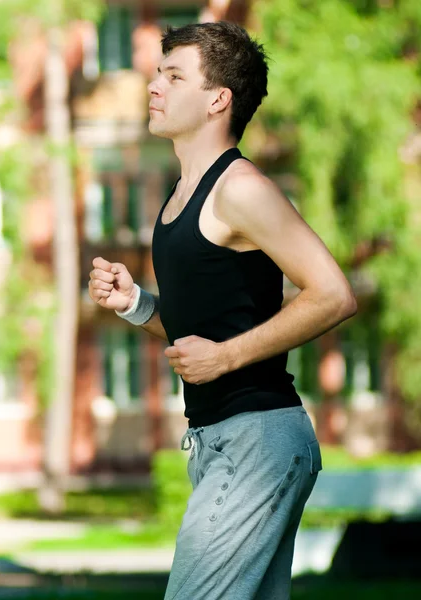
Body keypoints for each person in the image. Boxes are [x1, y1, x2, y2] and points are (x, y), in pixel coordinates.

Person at [88, 21, 357, 600]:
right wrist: (135, 305)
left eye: (173, 76)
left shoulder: (240, 188)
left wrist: (227, 358)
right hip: (217, 443)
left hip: (258, 440)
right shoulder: (181, 194)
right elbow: (201, 333)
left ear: (218, 100)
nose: (154, 87)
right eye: (158, 74)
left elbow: (334, 294)